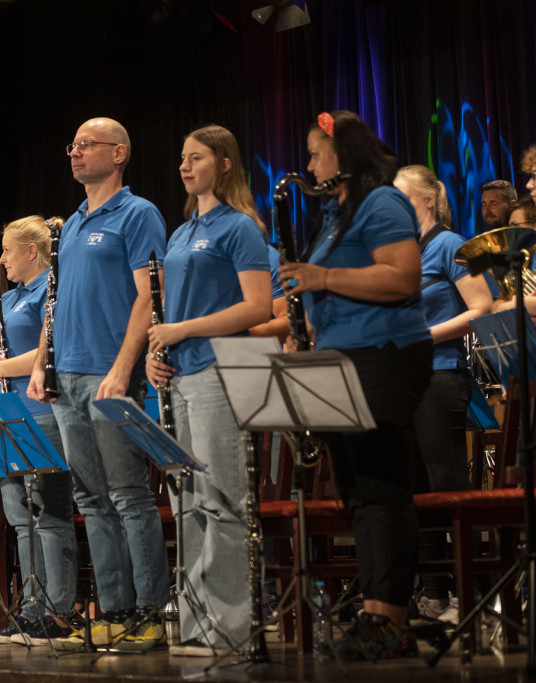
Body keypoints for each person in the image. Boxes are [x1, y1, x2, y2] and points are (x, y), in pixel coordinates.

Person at [279, 111, 434, 660]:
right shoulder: (337, 214)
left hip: (387, 353)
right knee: (357, 487)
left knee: (380, 483)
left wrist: (321, 277)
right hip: (344, 355)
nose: (310, 163)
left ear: (344, 154)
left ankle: (392, 620)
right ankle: (375, 615)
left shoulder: (382, 202)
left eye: (317, 152)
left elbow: (402, 275)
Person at [27, 117, 171, 650]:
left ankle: (149, 611)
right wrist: (42, 363)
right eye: (73, 145)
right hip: (66, 376)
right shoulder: (70, 225)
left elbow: (148, 295)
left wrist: (121, 367)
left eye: (87, 145)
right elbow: (55, 301)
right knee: (90, 499)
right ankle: (113, 608)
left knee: (129, 495)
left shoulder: (137, 213)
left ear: (119, 154)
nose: (76, 152)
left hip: (111, 375)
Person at [145, 125, 273, 656]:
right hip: (181, 375)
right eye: (180, 158)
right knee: (191, 503)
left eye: (194, 157)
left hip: (222, 371)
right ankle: (199, 625)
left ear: (223, 163)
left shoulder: (239, 227)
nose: (183, 166)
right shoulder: (180, 232)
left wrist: (183, 331)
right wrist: (158, 352)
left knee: (222, 499)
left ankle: (232, 624)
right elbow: (173, 308)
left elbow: (257, 307)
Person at [393, 165, 492, 622]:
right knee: (414, 489)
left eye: (402, 198)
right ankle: (433, 592)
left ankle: (474, 591)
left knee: (447, 485)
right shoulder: (399, 253)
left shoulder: (450, 245)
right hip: (406, 384)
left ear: (428, 200)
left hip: (441, 375)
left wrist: (423, 336)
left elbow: (482, 308)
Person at [0, 216, 78, 646]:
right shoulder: (8, 298)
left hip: (43, 411)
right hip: (7, 412)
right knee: (20, 518)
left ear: (31, 251)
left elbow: (49, 346)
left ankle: (57, 612)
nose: (1, 259)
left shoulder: (51, 289)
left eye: (7, 251)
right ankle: (31, 609)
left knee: (49, 515)